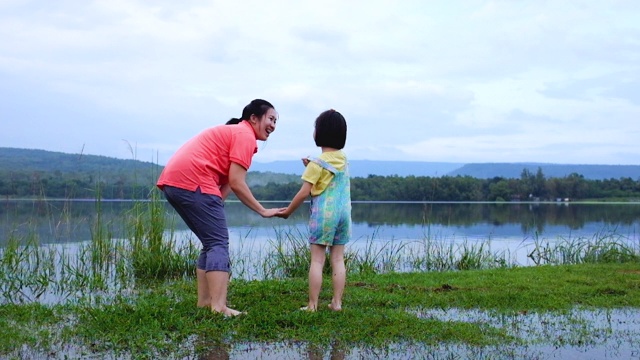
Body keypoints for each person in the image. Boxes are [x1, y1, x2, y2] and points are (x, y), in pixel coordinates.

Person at [157, 99, 283, 317]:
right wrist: (262, 210)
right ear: (253, 118)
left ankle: (206, 303)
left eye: (276, 121)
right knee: (217, 243)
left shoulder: (235, 134)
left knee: (210, 243)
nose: (273, 125)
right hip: (193, 181)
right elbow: (237, 182)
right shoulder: (244, 135)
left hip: (175, 182)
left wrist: (216, 205)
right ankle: (219, 307)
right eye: (271, 119)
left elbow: (226, 185)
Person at [278, 109, 351, 312]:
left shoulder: (316, 164)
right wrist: (313, 164)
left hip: (324, 216)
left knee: (317, 261)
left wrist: (288, 211)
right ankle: (336, 303)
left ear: (320, 133)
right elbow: (329, 170)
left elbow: (304, 193)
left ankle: (312, 305)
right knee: (338, 259)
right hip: (344, 215)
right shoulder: (343, 159)